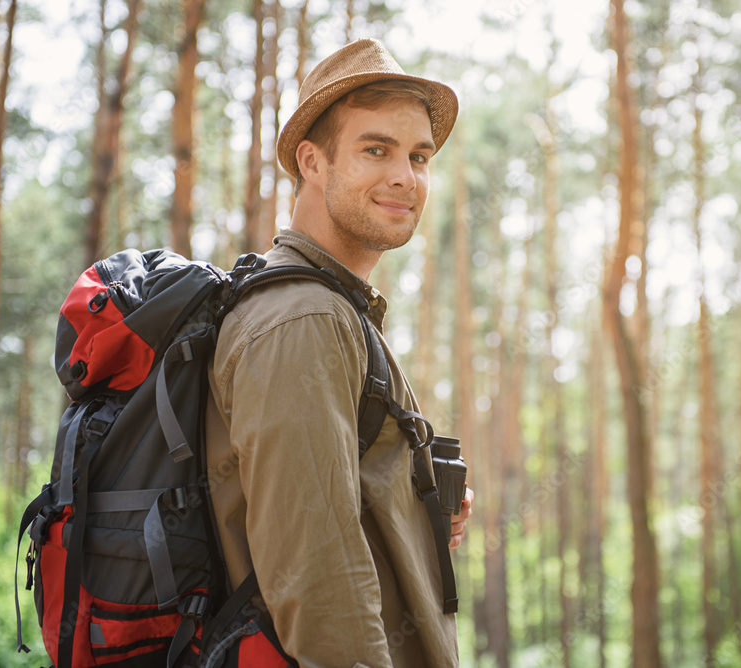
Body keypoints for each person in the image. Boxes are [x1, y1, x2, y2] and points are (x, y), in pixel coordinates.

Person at [204, 38, 474, 667]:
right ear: (313, 162)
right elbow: (317, 581)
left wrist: (416, 503)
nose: (405, 176)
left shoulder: (334, 307)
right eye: (375, 149)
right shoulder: (304, 318)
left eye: (419, 156)